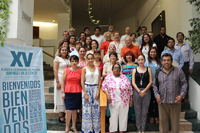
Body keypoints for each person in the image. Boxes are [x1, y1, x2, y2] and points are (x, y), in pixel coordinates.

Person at [153, 53, 187, 133]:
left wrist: (182, 95)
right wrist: (157, 96)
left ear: (171, 61)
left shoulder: (178, 71)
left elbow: (184, 83)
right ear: (161, 61)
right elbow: (154, 85)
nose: (166, 62)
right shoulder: (158, 72)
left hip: (175, 100)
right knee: (163, 122)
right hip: (162, 101)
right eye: (164, 60)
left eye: (168, 60)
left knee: (175, 124)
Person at [102, 63, 133, 133]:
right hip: (113, 101)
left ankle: (122, 130)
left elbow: (130, 88)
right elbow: (104, 86)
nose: (116, 69)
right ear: (112, 69)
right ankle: (112, 130)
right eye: (115, 68)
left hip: (124, 100)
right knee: (113, 116)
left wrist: (131, 99)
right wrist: (108, 95)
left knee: (123, 116)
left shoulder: (124, 77)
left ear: (120, 70)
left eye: (118, 68)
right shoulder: (108, 77)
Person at [61, 55, 82, 133]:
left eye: (75, 61)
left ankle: (73, 126)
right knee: (68, 110)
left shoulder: (80, 70)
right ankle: (67, 127)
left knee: (75, 111)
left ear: (78, 62)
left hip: (77, 92)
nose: (74, 62)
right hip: (68, 92)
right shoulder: (66, 70)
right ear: (70, 62)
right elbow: (63, 82)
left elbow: (82, 81)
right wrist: (63, 92)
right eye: (72, 61)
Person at [81, 53, 101, 133]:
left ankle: (96, 129)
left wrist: (98, 91)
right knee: (87, 110)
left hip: (96, 89)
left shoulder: (98, 69)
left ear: (94, 59)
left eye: (91, 58)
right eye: (88, 59)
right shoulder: (84, 69)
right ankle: (87, 129)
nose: (90, 60)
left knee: (96, 111)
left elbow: (99, 81)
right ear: (86, 60)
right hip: (87, 89)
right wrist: (85, 93)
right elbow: (82, 82)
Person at [132, 54, 152, 133]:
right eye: (139, 60)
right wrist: (139, 91)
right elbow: (133, 82)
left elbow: (150, 82)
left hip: (146, 91)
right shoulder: (134, 70)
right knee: (137, 111)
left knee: (144, 111)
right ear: (137, 61)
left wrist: (144, 91)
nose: (140, 61)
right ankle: (138, 129)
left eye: (142, 59)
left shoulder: (148, 69)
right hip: (137, 92)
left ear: (144, 60)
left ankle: (143, 129)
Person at [175, 32, 194, 103]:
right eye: (178, 36)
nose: (180, 37)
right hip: (176, 65)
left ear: (183, 37)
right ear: (176, 38)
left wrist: (191, 67)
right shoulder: (174, 46)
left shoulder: (187, 46)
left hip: (185, 65)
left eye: (181, 36)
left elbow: (191, 56)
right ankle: (177, 96)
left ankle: (185, 97)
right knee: (176, 81)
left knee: (185, 81)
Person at [53, 45, 70, 123]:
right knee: (60, 96)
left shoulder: (68, 59)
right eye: (62, 50)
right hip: (59, 78)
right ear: (60, 51)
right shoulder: (57, 58)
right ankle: (61, 116)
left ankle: (65, 114)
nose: (64, 51)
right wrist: (57, 81)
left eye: (65, 50)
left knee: (65, 96)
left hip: (67, 79)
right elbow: (55, 70)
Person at [144, 47, 161, 124]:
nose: (153, 53)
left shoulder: (160, 61)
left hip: (158, 84)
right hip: (149, 83)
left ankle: (156, 116)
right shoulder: (146, 61)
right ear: (149, 53)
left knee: (157, 100)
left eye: (154, 52)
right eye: (151, 52)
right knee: (150, 101)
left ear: (156, 53)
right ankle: (151, 116)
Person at [122, 51, 138, 122]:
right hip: (125, 86)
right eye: (127, 55)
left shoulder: (136, 65)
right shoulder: (123, 66)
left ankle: (133, 117)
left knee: (133, 100)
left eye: (130, 55)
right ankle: (127, 117)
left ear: (133, 57)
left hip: (134, 85)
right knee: (126, 101)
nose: (128, 56)